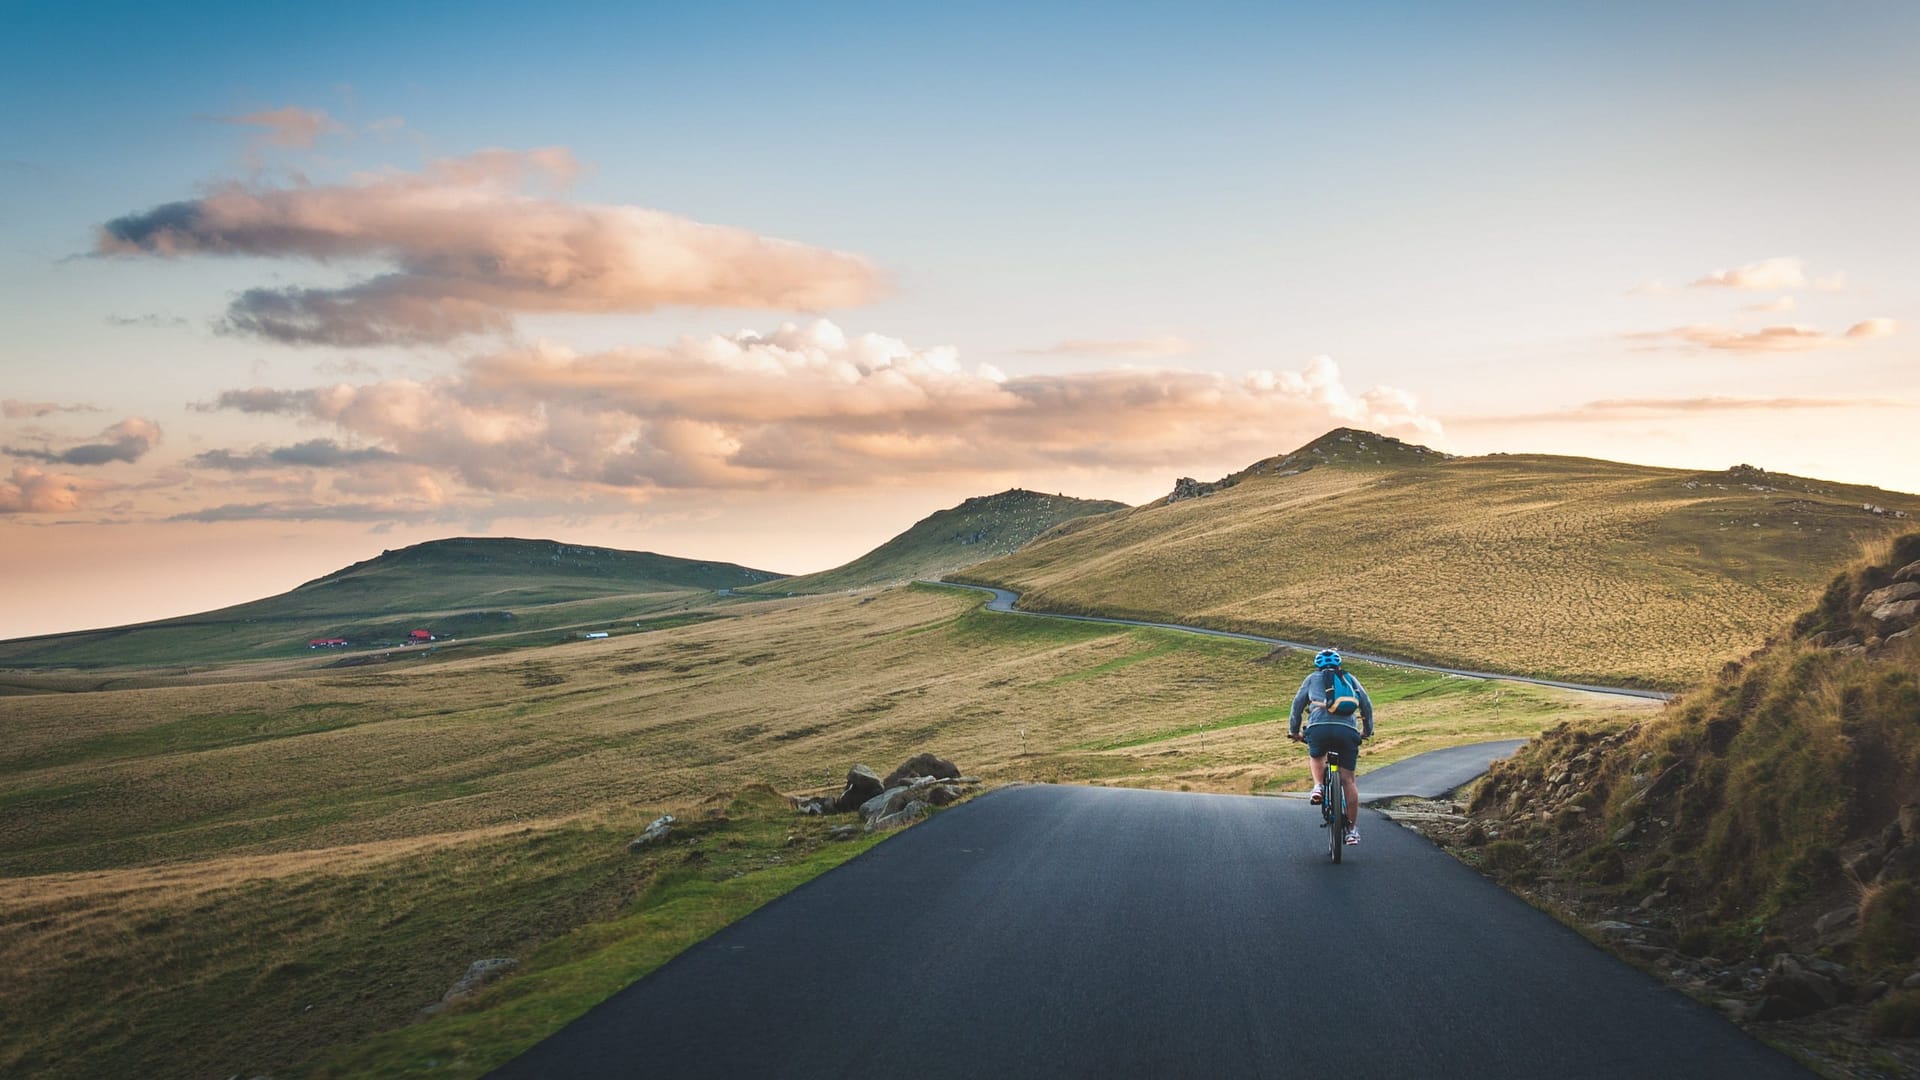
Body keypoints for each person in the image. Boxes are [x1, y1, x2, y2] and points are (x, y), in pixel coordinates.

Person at [1288, 648, 1374, 845]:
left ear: (1317, 666)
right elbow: (1366, 705)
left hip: (1319, 728)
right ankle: (1351, 831)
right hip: (1347, 731)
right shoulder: (1350, 679)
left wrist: (1294, 731)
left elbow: (1297, 705)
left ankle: (1318, 786)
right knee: (1348, 781)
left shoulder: (1312, 679)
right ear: (1339, 664)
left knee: (1316, 755)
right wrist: (1367, 731)